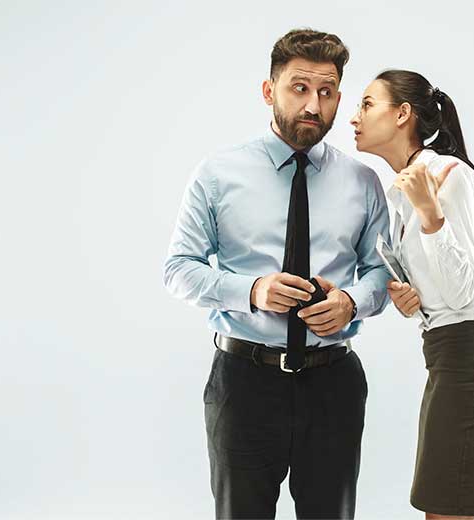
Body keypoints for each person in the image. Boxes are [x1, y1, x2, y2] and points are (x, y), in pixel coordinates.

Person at [163, 28, 391, 519]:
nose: (314, 104)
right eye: (300, 88)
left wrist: (351, 301)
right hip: (244, 383)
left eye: (327, 92)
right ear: (270, 91)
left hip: (333, 383)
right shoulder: (218, 174)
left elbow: (380, 274)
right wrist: (252, 290)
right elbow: (178, 270)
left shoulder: (364, 182)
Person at [349, 70, 474, 518]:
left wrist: (431, 215)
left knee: (445, 510)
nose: (354, 118)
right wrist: (412, 299)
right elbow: (443, 291)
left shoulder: (448, 176)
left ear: (402, 113)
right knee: (442, 508)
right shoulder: (406, 187)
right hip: (449, 358)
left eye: (367, 104)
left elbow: (462, 292)